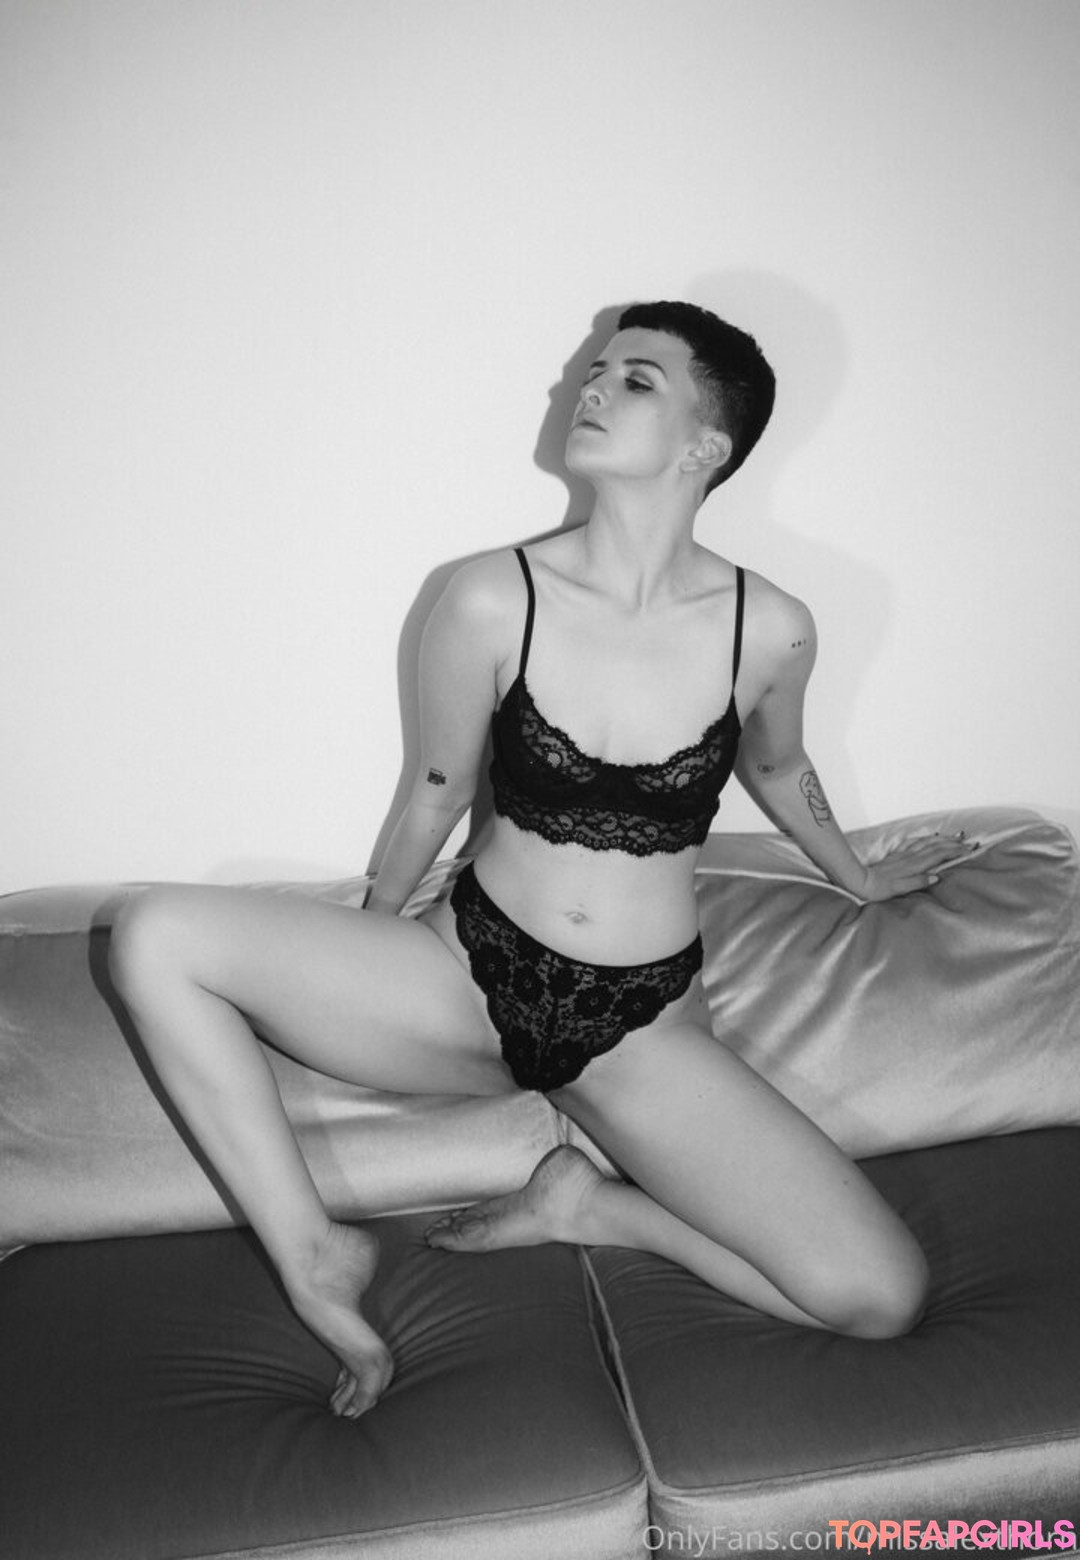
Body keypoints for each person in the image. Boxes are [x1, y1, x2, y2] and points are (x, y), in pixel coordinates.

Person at [109, 300, 972, 1420]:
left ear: (707, 445)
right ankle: (315, 1252)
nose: (590, 389)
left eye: (636, 379)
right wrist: (368, 940)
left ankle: (587, 1208)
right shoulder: (490, 596)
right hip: (465, 980)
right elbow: (436, 792)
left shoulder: (771, 627)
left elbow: (779, 761)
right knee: (155, 935)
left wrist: (855, 874)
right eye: (593, 371)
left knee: (882, 1297)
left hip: (639, 1032)